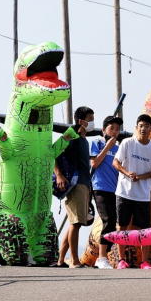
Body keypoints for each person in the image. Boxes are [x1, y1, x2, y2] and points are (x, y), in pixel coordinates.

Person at [112, 114, 151, 269]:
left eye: (147, 126)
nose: (143, 129)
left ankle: (144, 261)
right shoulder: (127, 143)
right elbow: (115, 162)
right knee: (122, 227)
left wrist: (141, 177)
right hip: (124, 192)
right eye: (141, 126)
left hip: (143, 195)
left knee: (144, 230)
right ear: (136, 128)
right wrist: (127, 173)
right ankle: (121, 260)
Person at [53, 106, 94, 268]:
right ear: (81, 121)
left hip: (84, 184)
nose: (92, 123)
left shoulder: (84, 140)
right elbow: (53, 153)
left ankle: (61, 260)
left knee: (74, 223)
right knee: (75, 223)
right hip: (75, 184)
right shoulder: (71, 136)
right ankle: (75, 261)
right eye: (90, 119)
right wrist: (58, 175)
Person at [89, 115, 123, 269]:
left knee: (113, 223)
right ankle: (101, 257)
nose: (115, 131)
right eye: (112, 128)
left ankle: (105, 256)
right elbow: (94, 163)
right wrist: (107, 147)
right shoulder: (96, 143)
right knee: (107, 220)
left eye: (117, 129)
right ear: (104, 130)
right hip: (100, 187)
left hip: (115, 190)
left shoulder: (119, 148)